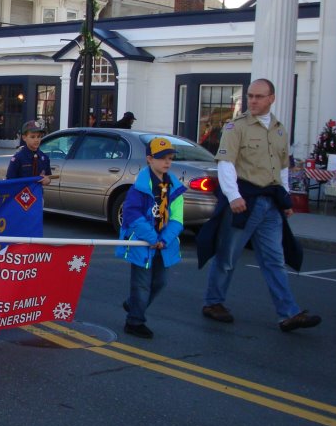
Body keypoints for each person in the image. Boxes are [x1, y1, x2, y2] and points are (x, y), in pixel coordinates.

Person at [198, 78, 321, 333]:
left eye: (258, 96)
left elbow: (283, 167)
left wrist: (285, 199)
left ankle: (289, 313)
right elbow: (226, 164)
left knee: (275, 260)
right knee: (228, 257)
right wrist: (233, 196)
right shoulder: (236, 127)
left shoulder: (279, 129)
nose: (253, 101)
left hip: (270, 204)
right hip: (245, 202)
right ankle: (213, 303)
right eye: (250, 96)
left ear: (271, 98)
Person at [116, 137, 186, 339]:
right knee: (142, 283)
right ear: (149, 159)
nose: (167, 162)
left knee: (160, 282)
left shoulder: (174, 187)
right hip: (142, 243)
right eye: (162, 158)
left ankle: (133, 303)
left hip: (164, 243)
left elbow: (177, 219)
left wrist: (164, 239)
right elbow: (133, 215)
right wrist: (151, 237)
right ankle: (134, 321)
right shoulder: (139, 187)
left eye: (170, 158)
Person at [6, 120, 52, 184]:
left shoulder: (44, 158)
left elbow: (48, 176)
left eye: (39, 136)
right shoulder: (18, 158)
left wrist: (47, 180)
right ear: (24, 138)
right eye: (32, 137)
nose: (36, 140)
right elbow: (9, 180)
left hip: (36, 193)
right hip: (22, 192)